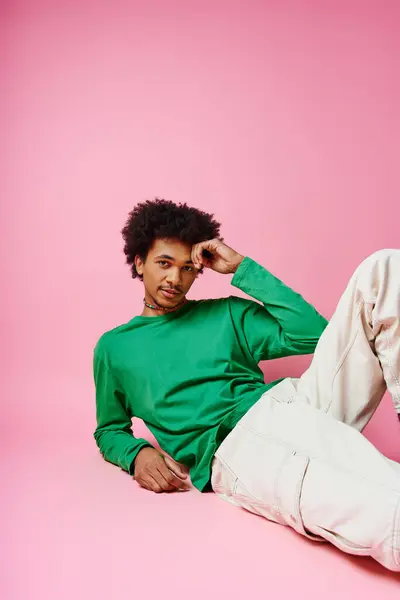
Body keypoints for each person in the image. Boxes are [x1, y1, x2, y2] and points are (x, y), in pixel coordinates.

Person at [93, 198, 400, 572]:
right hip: (239, 445)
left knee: (384, 270)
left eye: (187, 268)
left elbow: (315, 336)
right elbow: (110, 428)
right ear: (139, 262)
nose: (175, 278)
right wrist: (136, 454)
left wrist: (242, 268)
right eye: (164, 264)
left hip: (297, 402)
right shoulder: (115, 348)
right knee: (381, 509)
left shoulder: (225, 313)